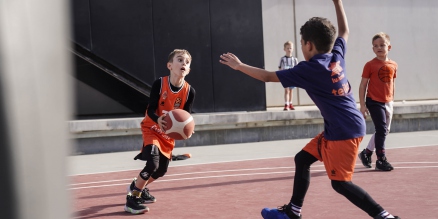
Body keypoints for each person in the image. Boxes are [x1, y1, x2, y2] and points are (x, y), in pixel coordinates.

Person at [219, 0, 399, 218]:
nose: (302, 45)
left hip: (343, 132)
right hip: (343, 126)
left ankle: (385, 216)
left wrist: (239, 66)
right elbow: (344, 30)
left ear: (309, 45)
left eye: (302, 42)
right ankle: (293, 211)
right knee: (302, 159)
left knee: (341, 184)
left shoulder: (309, 69)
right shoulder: (337, 56)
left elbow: (267, 76)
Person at [124, 49, 196, 214]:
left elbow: (186, 117)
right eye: (180, 60)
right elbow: (149, 110)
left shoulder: (189, 92)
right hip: (152, 128)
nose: (183, 64)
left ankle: (139, 186)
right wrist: (158, 119)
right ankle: (132, 199)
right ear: (170, 65)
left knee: (161, 170)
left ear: (189, 70)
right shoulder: (160, 84)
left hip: (168, 134)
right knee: (153, 163)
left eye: (187, 62)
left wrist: (188, 130)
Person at [358, 32, 397, 171]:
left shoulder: (393, 64)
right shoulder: (370, 65)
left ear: (389, 47)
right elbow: (363, 85)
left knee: (384, 130)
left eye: (382, 45)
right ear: (373, 49)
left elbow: (392, 82)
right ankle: (381, 159)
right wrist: (362, 105)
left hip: (388, 101)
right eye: (375, 46)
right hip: (373, 101)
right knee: (381, 129)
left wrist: (392, 100)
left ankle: (366, 153)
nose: (379, 48)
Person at [279, 41, 299, 110]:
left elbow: (297, 68)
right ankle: (286, 104)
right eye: (287, 48)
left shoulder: (295, 59)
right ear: (284, 49)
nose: (289, 50)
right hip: (286, 76)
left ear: (292, 49)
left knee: (291, 90)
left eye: (290, 48)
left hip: (292, 76)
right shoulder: (282, 59)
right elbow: (280, 68)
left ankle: (290, 103)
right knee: (286, 90)